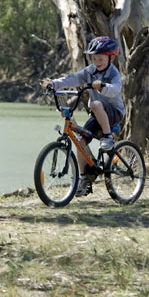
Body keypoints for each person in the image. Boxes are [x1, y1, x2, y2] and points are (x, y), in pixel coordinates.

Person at [42, 36, 125, 196]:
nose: (97, 62)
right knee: (80, 142)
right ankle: (84, 178)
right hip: (98, 115)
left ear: (111, 57)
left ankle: (108, 137)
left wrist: (103, 86)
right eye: (94, 59)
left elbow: (116, 89)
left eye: (100, 58)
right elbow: (73, 79)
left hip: (114, 113)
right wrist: (54, 83)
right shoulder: (90, 72)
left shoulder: (113, 73)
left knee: (95, 105)